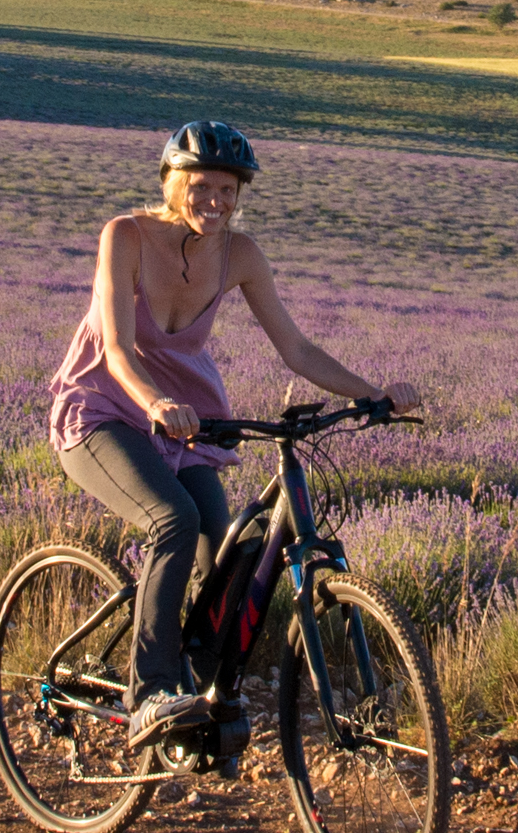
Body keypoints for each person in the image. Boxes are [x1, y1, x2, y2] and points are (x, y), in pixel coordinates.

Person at [45, 119, 417, 744]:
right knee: (172, 520)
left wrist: (373, 395)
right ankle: (150, 694)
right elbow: (114, 347)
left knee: (227, 558)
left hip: (188, 424)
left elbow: (297, 348)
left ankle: (198, 705)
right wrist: (155, 399)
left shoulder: (240, 256)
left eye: (227, 190)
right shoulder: (126, 236)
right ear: (172, 183)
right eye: (201, 187)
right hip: (104, 409)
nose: (214, 202)